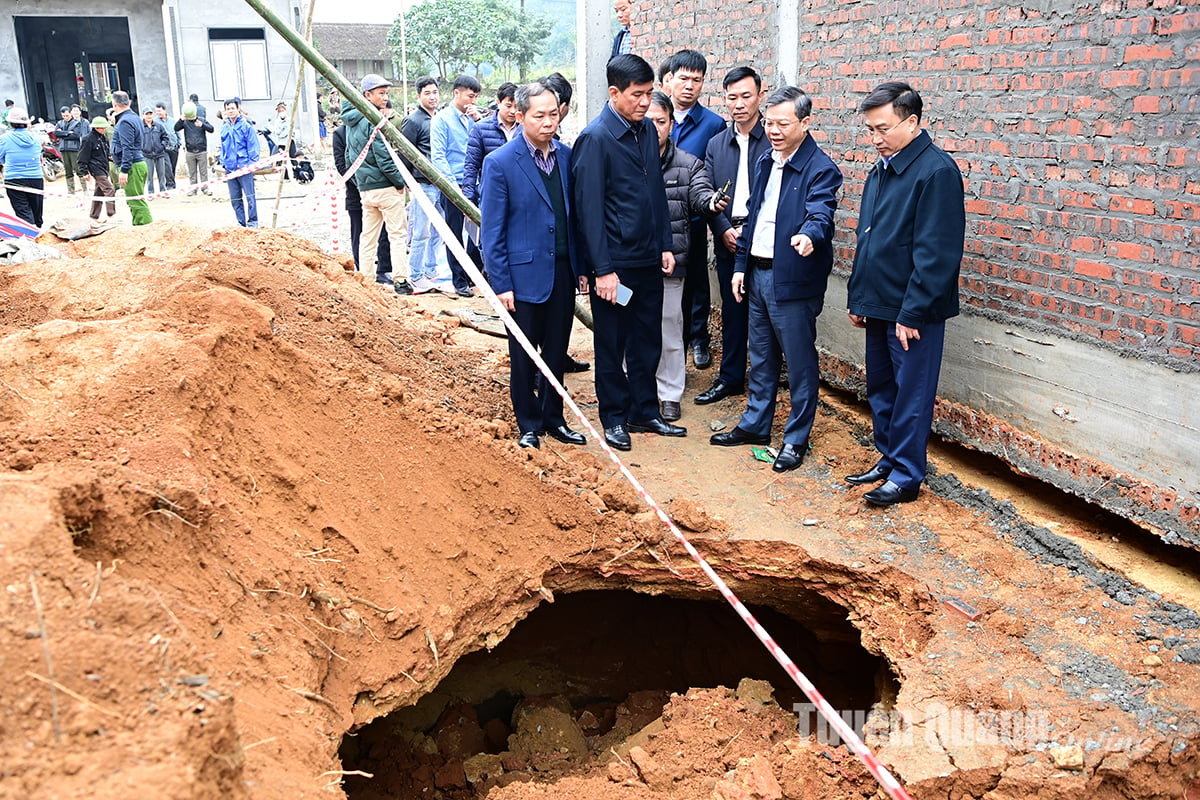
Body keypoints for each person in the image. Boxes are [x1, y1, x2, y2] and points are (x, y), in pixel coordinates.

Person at [709, 87, 843, 474]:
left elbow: (821, 212)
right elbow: (752, 217)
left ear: (805, 122)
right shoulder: (766, 160)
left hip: (794, 280)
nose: (773, 130)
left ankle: (796, 439)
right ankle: (755, 425)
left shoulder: (821, 168)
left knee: (799, 364)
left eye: (783, 123)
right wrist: (739, 267)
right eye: (769, 122)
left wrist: (809, 236)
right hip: (757, 273)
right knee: (762, 356)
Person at [845, 81, 965, 506]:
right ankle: (889, 457)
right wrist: (860, 300)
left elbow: (937, 254)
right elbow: (870, 238)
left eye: (883, 129)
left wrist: (912, 313)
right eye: (870, 130)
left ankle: (907, 475)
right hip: (879, 302)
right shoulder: (883, 168)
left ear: (912, 122)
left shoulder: (936, 172)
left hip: (912, 312)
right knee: (881, 387)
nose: (876, 139)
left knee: (911, 394)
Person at [571, 54, 682, 451]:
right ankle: (614, 417)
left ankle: (644, 410)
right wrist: (602, 269)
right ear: (614, 92)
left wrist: (665, 244)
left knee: (646, 339)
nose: (645, 103)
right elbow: (588, 211)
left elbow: (656, 195)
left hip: (648, 260)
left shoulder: (646, 133)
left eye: (650, 94)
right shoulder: (596, 139)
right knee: (612, 343)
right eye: (637, 95)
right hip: (614, 268)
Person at [481, 82, 588, 450]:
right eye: (539, 115)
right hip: (521, 277)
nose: (547, 122)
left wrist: (581, 267)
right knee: (524, 355)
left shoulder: (567, 157)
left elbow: (574, 219)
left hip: (561, 271)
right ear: (520, 115)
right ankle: (528, 423)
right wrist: (501, 284)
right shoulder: (500, 163)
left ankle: (554, 418)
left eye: (553, 114)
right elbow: (491, 232)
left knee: (556, 350)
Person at [698, 65, 770, 406]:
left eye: (746, 96)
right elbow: (707, 194)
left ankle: (766, 380)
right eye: (732, 97)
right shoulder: (716, 144)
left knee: (768, 312)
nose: (739, 104)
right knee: (733, 310)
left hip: (766, 238)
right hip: (729, 235)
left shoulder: (773, 138)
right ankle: (730, 378)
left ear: (760, 95)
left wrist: (750, 232)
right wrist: (724, 229)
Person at [646, 92, 720, 424]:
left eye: (660, 121)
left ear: (671, 125)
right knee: (630, 329)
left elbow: (701, 193)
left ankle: (670, 393)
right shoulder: (624, 161)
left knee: (670, 329)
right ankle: (637, 386)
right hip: (630, 264)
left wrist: (710, 202)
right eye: (647, 122)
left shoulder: (689, 164)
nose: (654, 127)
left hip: (671, 265)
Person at [658, 50, 727, 372]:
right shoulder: (654, 116)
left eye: (696, 80)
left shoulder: (713, 124)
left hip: (694, 218)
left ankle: (698, 339)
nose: (689, 86)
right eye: (683, 78)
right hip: (656, 220)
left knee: (696, 282)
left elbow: (712, 174)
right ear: (669, 79)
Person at [342, 75, 411, 292]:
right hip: (386, 188)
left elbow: (348, 157)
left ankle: (366, 280)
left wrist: (360, 181)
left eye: (386, 93)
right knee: (398, 235)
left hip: (366, 190)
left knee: (368, 237)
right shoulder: (372, 120)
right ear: (367, 95)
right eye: (381, 93)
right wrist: (400, 182)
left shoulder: (351, 122)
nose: (385, 97)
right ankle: (400, 280)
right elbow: (384, 158)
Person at [431, 73, 483, 297]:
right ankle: (458, 279)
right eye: (470, 96)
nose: (473, 101)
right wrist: (454, 187)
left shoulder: (473, 119)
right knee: (455, 233)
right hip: (454, 185)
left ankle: (473, 274)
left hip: (475, 183)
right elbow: (439, 157)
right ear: (457, 93)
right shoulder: (441, 120)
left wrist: (477, 119)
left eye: (476, 97)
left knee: (476, 233)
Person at [332, 116, 392, 284]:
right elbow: (342, 165)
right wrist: (362, 184)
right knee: (360, 232)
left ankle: (384, 269)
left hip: (380, 189)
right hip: (356, 192)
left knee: (385, 231)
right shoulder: (340, 133)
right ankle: (362, 271)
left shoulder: (371, 127)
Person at [401, 76, 444, 294]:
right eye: (427, 93)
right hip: (421, 183)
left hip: (439, 184)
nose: (432, 96)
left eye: (435, 92)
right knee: (421, 231)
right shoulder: (414, 121)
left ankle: (431, 268)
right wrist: (408, 181)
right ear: (419, 96)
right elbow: (404, 152)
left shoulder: (438, 119)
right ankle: (416, 275)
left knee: (440, 229)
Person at [462, 82, 519, 207]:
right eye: (508, 106)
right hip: (491, 194)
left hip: (519, 195)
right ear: (498, 102)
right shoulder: (481, 129)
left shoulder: (525, 129)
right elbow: (471, 166)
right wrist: (468, 199)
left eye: (516, 106)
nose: (512, 111)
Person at [110, 92, 151, 225]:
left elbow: (128, 147)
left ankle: (146, 230)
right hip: (137, 163)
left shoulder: (125, 121)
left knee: (136, 201)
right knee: (134, 201)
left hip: (132, 165)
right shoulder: (135, 118)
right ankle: (138, 227)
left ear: (114, 104)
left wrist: (124, 170)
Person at [219, 98, 261, 227]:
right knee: (235, 199)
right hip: (230, 169)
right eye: (228, 109)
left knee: (250, 197)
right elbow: (223, 146)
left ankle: (253, 222)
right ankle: (241, 223)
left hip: (244, 167)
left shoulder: (246, 126)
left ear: (238, 109)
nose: (230, 111)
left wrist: (251, 164)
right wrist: (223, 162)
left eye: (232, 108)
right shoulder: (224, 128)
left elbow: (253, 146)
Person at [0, 108, 45, 227]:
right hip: (36, 178)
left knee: (23, 211)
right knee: (37, 210)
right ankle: (37, 231)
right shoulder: (36, 138)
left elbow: (1, 158)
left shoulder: (4, 139)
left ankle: (29, 237)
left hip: (14, 179)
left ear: (10, 123)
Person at [78, 115, 116, 228]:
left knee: (99, 192)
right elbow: (82, 157)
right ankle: (111, 214)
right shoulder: (87, 139)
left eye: (104, 127)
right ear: (95, 127)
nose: (103, 129)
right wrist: (84, 172)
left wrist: (110, 157)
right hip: (95, 168)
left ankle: (94, 216)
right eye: (101, 128)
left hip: (104, 167)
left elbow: (105, 152)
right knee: (109, 189)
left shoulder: (103, 138)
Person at [174, 102, 214, 196]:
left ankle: (205, 188)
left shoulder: (201, 120)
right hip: (190, 151)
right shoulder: (184, 122)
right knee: (192, 172)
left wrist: (202, 125)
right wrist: (181, 119)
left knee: (203, 171)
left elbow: (211, 129)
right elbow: (175, 128)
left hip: (202, 150)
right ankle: (193, 189)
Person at [54, 105, 89, 194]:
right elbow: (56, 133)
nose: (65, 117)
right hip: (63, 149)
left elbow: (76, 135)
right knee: (67, 170)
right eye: (64, 116)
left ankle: (85, 189)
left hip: (74, 149)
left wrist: (63, 134)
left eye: (67, 115)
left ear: (70, 113)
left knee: (78, 169)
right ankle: (71, 190)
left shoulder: (77, 123)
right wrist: (68, 133)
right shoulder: (60, 123)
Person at [141, 108, 171, 195]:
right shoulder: (140, 126)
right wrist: (142, 148)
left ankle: (163, 191)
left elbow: (165, 137)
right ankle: (151, 192)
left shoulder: (158, 126)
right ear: (143, 115)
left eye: (150, 114)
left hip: (159, 154)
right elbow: (137, 139)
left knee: (161, 174)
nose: (149, 116)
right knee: (149, 175)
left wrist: (162, 146)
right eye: (147, 114)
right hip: (147, 155)